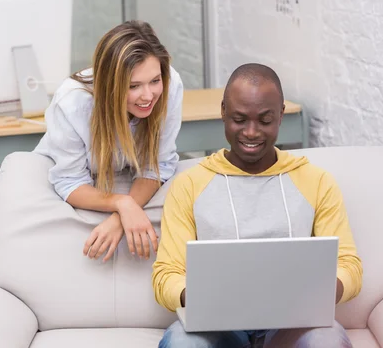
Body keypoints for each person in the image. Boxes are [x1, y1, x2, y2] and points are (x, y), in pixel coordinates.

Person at [152, 63, 363, 348]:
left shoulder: (316, 181)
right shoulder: (189, 185)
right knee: (181, 342)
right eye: (240, 119)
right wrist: (203, 298)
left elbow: (349, 266)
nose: (251, 132)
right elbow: (166, 274)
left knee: (327, 339)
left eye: (265, 120)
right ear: (223, 110)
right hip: (218, 326)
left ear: (281, 114)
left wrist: (317, 292)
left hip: (292, 325)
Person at [34, 20, 184, 263]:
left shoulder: (170, 84)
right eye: (133, 86)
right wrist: (122, 204)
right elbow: (70, 181)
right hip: (61, 176)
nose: (148, 96)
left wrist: (119, 218)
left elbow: (158, 165)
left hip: (112, 178)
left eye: (154, 81)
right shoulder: (72, 102)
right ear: (110, 86)